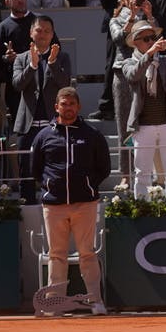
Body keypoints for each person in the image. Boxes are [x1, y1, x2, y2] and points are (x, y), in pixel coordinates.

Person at [30, 87, 111, 314]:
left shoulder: (92, 135)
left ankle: (95, 302)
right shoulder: (43, 136)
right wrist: (50, 186)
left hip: (85, 204)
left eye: (71, 104)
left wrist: (87, 186)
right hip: (53, 206)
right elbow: (36, 169)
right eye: (63, 104)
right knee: (56, 254)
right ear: (56, 107)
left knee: (87, 253)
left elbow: (103, 167)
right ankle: (55, 305)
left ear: (78, 107)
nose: (68, 108)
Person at [123, 20, 166, 199]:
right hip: (143, 125)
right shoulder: (128, 62)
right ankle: (142, 207)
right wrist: (149, 56)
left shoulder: (165, 61)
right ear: (135, 42)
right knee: (142, 173)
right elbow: (133, 75)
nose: (151, 42)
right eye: (146, 39)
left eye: (153, 38)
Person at [13, 16, 71, 204]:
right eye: (39, 30)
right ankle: (27, 209)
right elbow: (17, 85)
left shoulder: (62, 57)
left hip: (52, 125)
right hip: (27, 126)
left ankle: (55, 206)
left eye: (47, 31)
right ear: (31, 33)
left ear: (52, 34)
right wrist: (32, 65)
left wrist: (52, 64)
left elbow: (65, 85)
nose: (43, 34)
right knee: (26, 172)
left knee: (55, 169)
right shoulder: (22, 58)